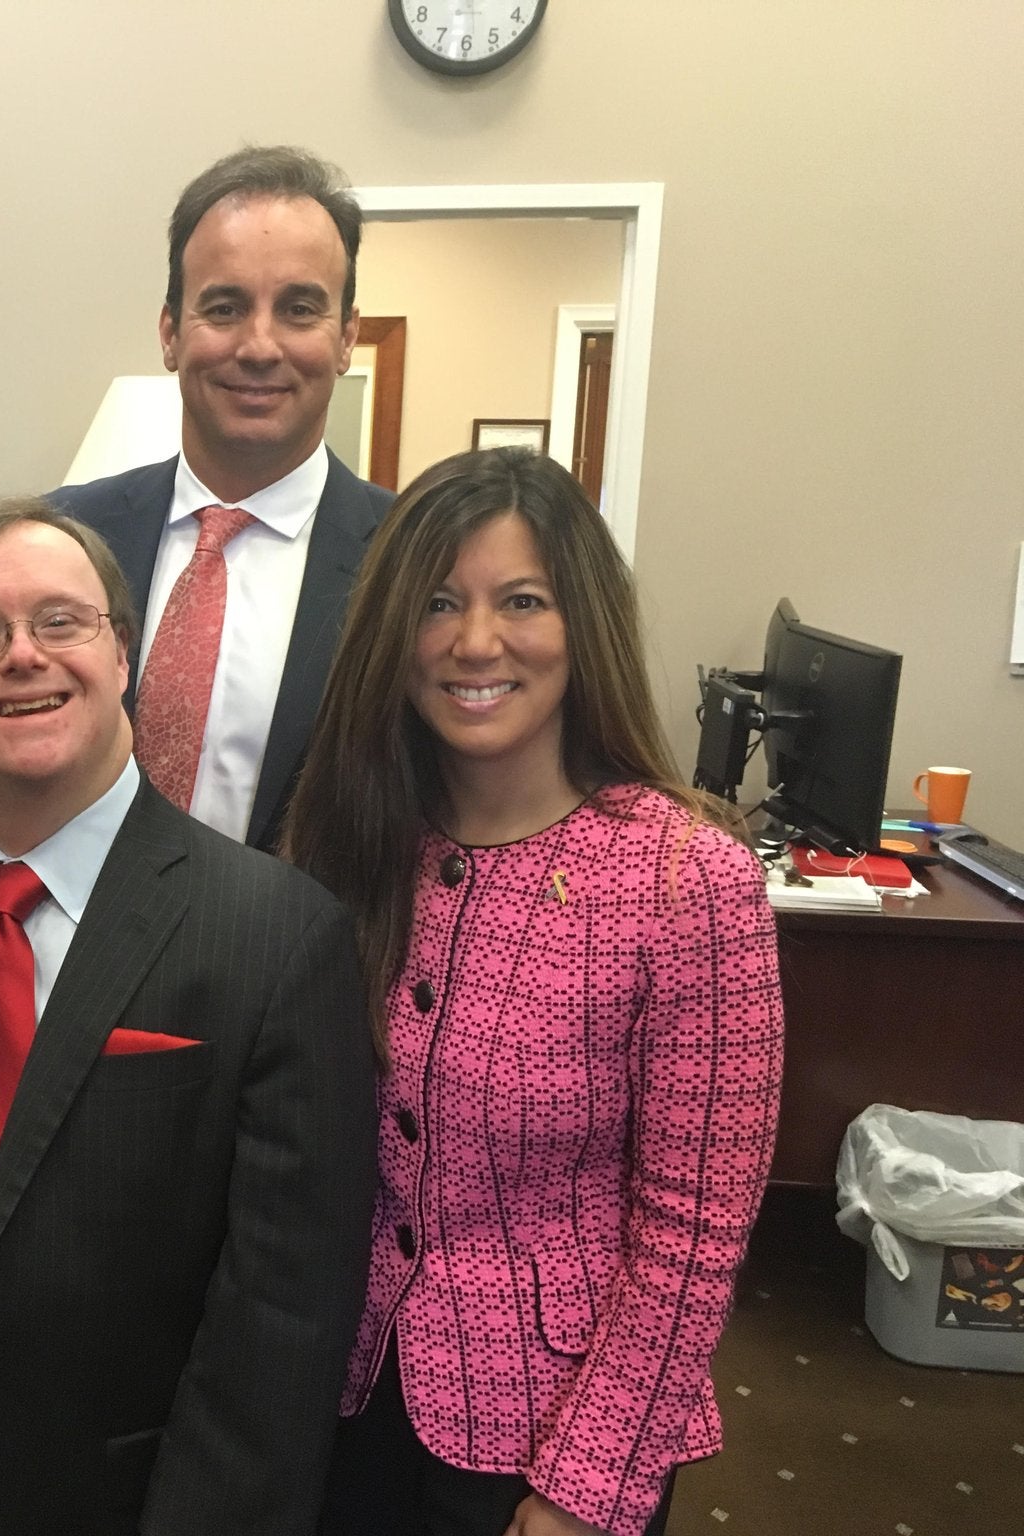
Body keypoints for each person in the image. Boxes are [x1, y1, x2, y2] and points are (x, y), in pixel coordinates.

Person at [0, 498, 378, 1534]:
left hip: (115, 1489)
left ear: (123, 654)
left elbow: (280, 1326)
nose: (21, 656)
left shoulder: (272, 936)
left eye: (60, 622)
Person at [282, 449, 784, 1536]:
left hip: (545, 1436)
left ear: (581, 624)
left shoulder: (683, 878)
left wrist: (584, 1486)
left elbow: (693, 1234)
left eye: (521, 602)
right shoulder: (346, 844)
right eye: (437, 604)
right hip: (342, 1401)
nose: (474, 643)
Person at [52, 145, 392, 851]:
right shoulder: (64, 535)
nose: (260, 345)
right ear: (171, 332)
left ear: (346, 338)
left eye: (299, 309)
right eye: (225, 307)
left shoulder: (412, 560)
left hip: (306, 956)